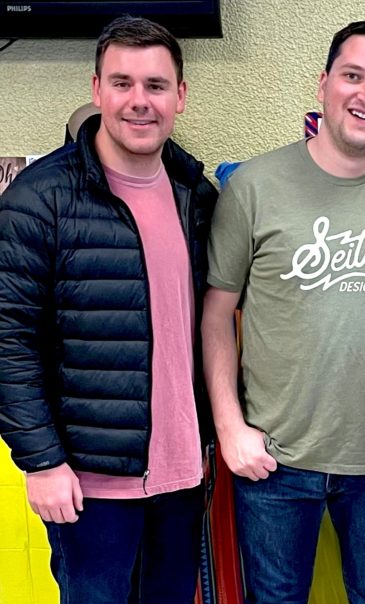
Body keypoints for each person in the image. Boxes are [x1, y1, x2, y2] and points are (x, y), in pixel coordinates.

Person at [201, 19, 365, 604]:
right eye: (353, 76)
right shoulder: (255, 186)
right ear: (322, 85)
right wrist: (229, 427)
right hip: (272, 459)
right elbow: (217, 314)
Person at [0, 16, 217, 603]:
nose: (139, 102)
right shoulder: (37, 200)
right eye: (122, 83)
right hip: (87, 485)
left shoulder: (196, 194)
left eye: (155, 85)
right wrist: (41, 462)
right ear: (96, 90)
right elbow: (7, 340)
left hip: (181, 475)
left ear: (180, 96)